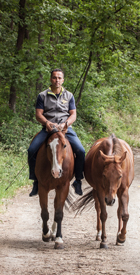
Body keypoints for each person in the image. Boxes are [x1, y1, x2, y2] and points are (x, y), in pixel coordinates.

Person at [27, 68, 85, 197]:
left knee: (81, 150)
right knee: (31, 150)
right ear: (50, 79)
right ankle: (35, 181)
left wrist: (66, 124)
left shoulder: (69, 95)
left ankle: (78, 180)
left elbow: (73, 114)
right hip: (48, 128)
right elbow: (38, 114)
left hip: (65, 129)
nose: (57, 80)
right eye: (54, 77)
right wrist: (47, 123)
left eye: (59, 78)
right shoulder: (42, 95)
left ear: (63, 80)